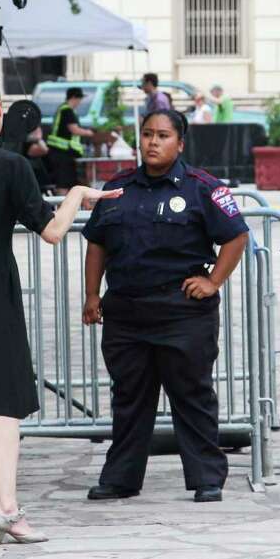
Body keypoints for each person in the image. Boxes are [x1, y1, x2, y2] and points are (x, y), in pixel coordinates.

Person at [0, 75, 120, 544]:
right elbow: (51, 232)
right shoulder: (10, 165)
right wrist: (76, 195)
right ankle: (5, 509)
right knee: (3, 401)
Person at [81, 109, 248, 503]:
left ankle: (207, 478)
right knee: (129, 398)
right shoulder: (118, 187)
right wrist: (91, 295)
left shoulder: (202, 187)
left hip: (181, 312)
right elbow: (97, 243)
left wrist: (213, 281)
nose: (153, 142)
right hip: (126, 311)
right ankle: (121, 478)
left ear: (180, 143)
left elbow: (236, 236)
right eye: (147, 134)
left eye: (163, 136)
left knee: (192, 396)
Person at [45, 86, 94, 195]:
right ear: (74, 98)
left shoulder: (63, 109)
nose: (80, 102)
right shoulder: (67, 110)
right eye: (80, 99)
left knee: (66, 182)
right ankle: (62, 208)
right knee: (63, 183)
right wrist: (88, 133)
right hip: (62, 153)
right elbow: (74, 130)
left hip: (62, 152)